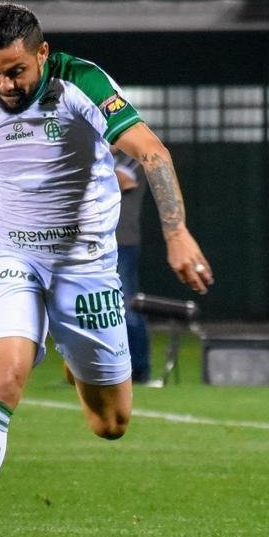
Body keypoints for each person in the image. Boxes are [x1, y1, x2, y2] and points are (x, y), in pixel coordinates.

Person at [0, 3, 211, 526]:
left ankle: (70, 346)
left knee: (112, 423)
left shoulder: (80, 83)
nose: (6, 85)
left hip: (87, 266)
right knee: (4, 378)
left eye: (17, 71)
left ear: (42, 53)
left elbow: (151, 151)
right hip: (10, 257)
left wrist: (177, 233)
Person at [113, 150, 152, 385]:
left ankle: (140, 368)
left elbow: (123, 180)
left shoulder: (134, 158)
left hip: (123, 243)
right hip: (92, 244)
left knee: (128, 309)